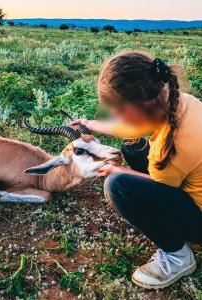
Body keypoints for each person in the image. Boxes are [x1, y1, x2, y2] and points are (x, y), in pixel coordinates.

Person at [71, 51, 202, 289]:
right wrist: (89, 125)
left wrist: (116, 170)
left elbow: (158, 184)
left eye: (116, 110)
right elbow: (131, 128)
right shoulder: (177, 100)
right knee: (133, 147)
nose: (113, 116)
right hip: (188, 176)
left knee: (118, 187)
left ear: (135, 107)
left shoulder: (169, 149)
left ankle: (177, 256)